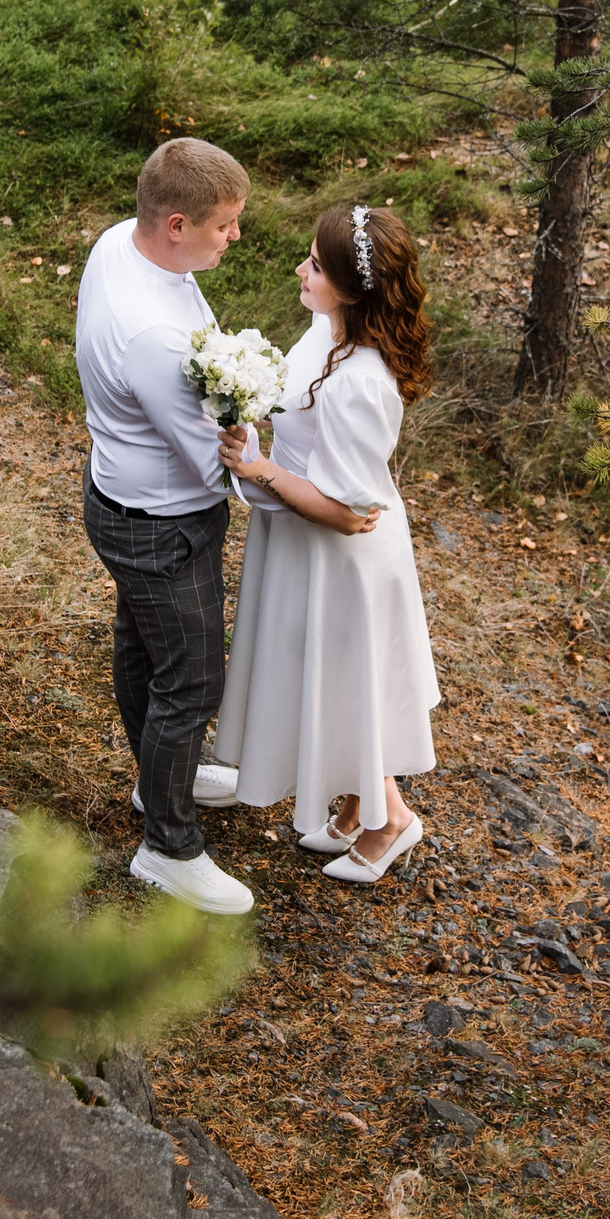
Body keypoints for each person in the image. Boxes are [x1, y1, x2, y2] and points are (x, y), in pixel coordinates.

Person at [213, 204, 440, 884]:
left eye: (314, 264)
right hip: (302, 541)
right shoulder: (327, 330)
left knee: (347, 681)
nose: (299, 270)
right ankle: (350, 803)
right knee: (324, 674)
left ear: (350, 286)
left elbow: (346, 511)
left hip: (341, 559)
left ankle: (388, 818)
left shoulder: (360, 384)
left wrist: (260, 469)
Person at [74, 138, 259, 915]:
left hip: (119, 497)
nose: (236, 237)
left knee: (142, 649)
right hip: (162, 523)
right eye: (225, 226)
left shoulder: (122, 239)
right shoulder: (151, 336)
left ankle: (162, 780)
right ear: (177, 223)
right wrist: (271, 476)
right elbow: (209, 458)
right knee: (190, 679)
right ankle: (169, 846)